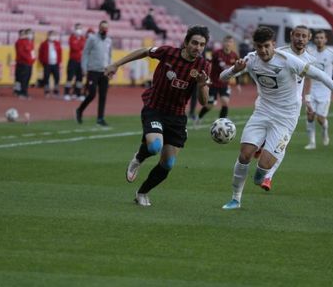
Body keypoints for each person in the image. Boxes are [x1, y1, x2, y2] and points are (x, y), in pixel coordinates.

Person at [218, 27, 333, 210]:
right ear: (255, 46)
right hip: (262, 112)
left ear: (274, 45)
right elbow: (222, 77)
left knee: (263, 168)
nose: (263, 51)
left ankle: (263, 173)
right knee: (244, 155)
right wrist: (234, 70)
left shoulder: (288, 61)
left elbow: (321, 75)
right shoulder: (251, 60)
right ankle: (235, 199)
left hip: (285, 118)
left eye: (267, 46)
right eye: (259, 46)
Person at [104, 25, 212, 207]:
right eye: (194, 43)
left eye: (202, 44)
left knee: (168, 163)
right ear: (186, 43)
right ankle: (139, 157)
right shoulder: (168, 53)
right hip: (155, 107)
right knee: (155, 146)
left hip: (177, 116)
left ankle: (142, 192)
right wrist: (116, 64)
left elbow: (204, 102)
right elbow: (144, 51)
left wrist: (202, 85)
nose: (198, 47)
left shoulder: (203, 66)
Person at [260, 25, 315, 191]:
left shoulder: (310, 59)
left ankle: (268, 177)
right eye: (297, 35)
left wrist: (308, 100)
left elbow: (309, 78)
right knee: (264, 138)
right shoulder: (279, 53)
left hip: (291, 109)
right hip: (269, 104)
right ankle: (261, 144)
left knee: (282, 143)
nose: (300, 38)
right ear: (291, 35)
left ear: (308, 38)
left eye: (304, 36)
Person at [304, 29, 333, 150]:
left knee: (320, 119)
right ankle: (312, 143)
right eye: (317, 38)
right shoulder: (310, 53)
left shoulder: (331, 54)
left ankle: (325, 130)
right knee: (310, 116)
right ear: (314, 39)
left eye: (322, 38)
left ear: (325, 40)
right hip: (312, 89)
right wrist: (306, 93)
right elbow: (307, 72)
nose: (319, 40)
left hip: (325, 91)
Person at [76, 21, 112, 126]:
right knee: (91, 94)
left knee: (103, 96)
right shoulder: (92, 39)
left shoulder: (109, 40)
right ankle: (80, 110)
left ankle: (100, 118)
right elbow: (85, 53)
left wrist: (110, 69)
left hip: (104, 71)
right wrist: (84, 67)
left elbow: (109, 55)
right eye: (103, 28)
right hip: (93, 70)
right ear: (99, 28)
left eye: (106, 28)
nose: (104, 30)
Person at [196, 35, 239, 123]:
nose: (228, 44)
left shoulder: (234, 56)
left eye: (230, 42)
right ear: (223, 43)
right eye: (226, 42)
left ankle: (221, 122)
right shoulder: (216, 53)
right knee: (210, 105)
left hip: (224, 84)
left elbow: (237, 69)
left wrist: (237, 83)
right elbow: (208, 63)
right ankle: (199, 117)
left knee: (225, 102)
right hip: (214, 83)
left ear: (233, 44)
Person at [64, 23, 86, 101]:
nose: (79, 30)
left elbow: (84, 47)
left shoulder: (83, 38)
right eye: (77, 28)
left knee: (79, 79)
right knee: (69, 78)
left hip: (81, 61)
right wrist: (80, 46)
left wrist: (80, 46)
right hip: (73, 61)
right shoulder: (72, 38)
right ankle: (66, 93)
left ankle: (77, 93)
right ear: (74, 29)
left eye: (80, 28)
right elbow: (74, 47)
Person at [38, 31, 62, 97]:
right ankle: (47, 91)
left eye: (53, 35)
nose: (52, 37)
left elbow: (60, 53)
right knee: (46, 77)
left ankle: (56, 90)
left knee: (57, 77)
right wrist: (42, 61)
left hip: (55, 63)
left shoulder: (57, 43)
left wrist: (59, 62)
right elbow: (40, 53)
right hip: (47, 63)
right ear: (48, 36)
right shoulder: (44, 44)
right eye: (51, 35)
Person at [14, 29, 35, 98]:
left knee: (27, 78)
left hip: (29, 63)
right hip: (23, 63)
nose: (31, 35)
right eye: (29, 33)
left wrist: (33, 59)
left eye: (31, 34)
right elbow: (21, 52)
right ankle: (20, 92)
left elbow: (32, 52)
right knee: (21, 78)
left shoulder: (31, 42)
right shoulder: (21, 42)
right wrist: (28, 59)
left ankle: (24, 91)